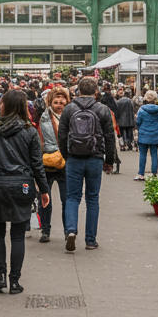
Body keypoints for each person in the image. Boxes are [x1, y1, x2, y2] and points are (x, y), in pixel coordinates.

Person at [0, 89, 49, 295]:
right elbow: (37, 165)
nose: (0, 105)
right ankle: (15, 281)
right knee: (17, 235)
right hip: (22, 186)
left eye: (2, 102)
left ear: (6, 105)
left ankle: (0, 277)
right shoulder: (30, 130)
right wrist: (44, 189)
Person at [57, 76, 117, 252]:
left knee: (72, 197)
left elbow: (62, 136)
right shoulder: (103, 109)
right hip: (95, 158)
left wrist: (66, 156)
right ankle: (90, 240)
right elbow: (109, 137)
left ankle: (70, 230)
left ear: (78, 90)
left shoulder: (69, 109)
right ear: (96, 91)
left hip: (74, 158)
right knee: (92, 198)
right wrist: (109, 160)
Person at [37, 86, 70, 243]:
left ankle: (68, 230)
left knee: (67, 199)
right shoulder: (43, 118)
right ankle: (45, 230)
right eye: (56, 102)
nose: (58, 105)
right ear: (50, 102)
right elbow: (39, 140)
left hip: (65, 163)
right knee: (45, 199)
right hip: (47, 162)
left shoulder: (70, 116)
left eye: (61, 102)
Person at [134, 90, 158, 179]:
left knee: (142, 155)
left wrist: (140, 130)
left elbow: (138, 122)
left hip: (143, 134)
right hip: (155, 134)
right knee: (154, 154)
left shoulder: (141, 109)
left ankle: (141, 174)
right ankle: (154, 174)